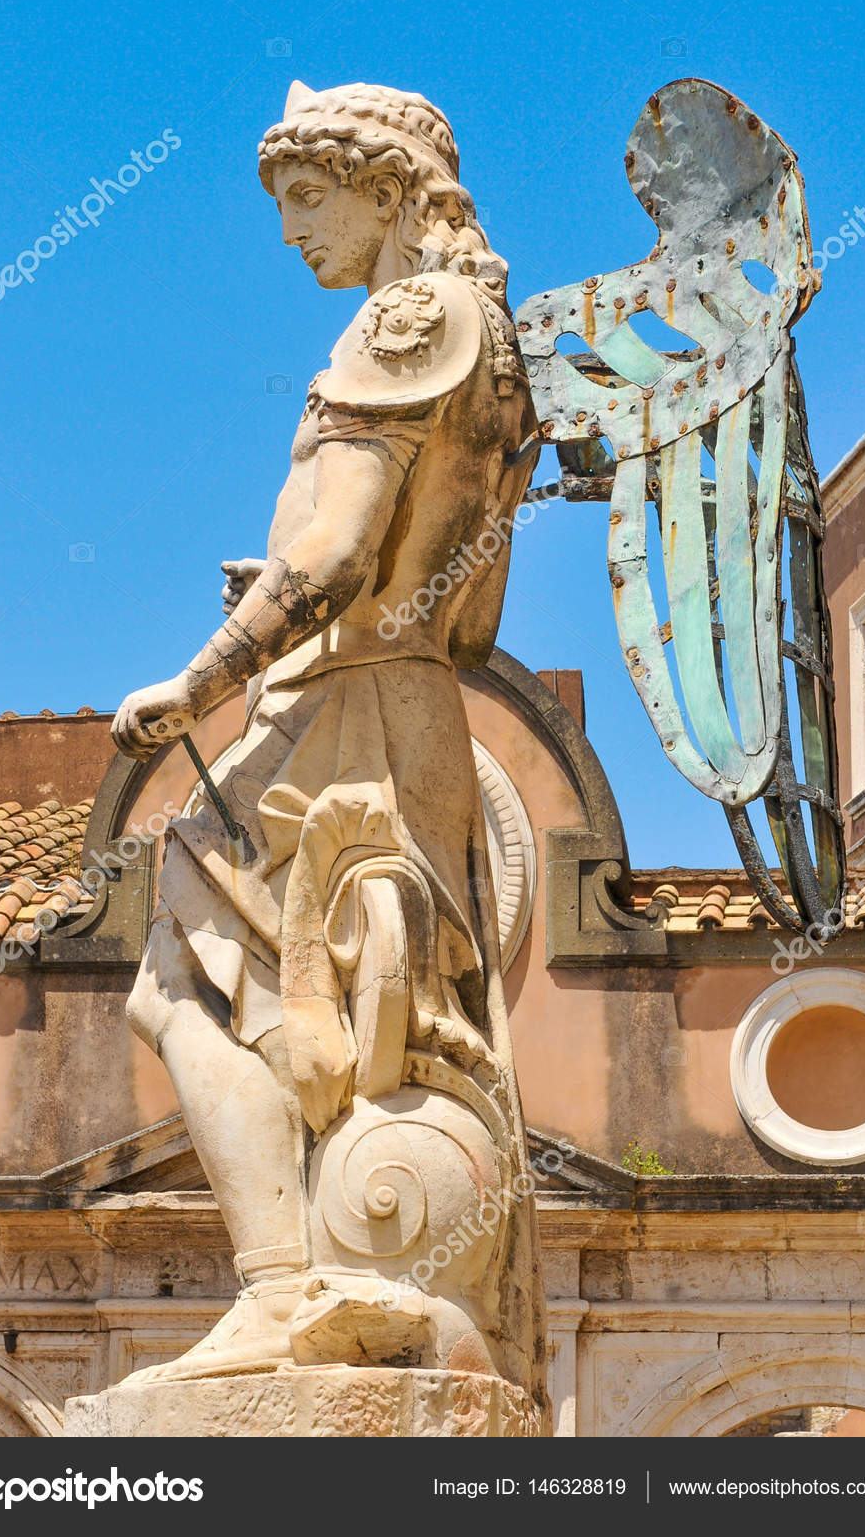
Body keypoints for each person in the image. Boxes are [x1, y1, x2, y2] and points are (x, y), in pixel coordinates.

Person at [111, 82, 545, 1400]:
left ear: (389, 190)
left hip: (342, 710)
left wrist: (198, 679)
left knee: (180, 985)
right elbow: (446, 591)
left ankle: (280, 1288)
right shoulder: (486, 335)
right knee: (356, 1033)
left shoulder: (404, 320)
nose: (294, 231)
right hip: (407, 701)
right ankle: (337, 1275)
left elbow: (338, 548)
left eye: (309, 198)